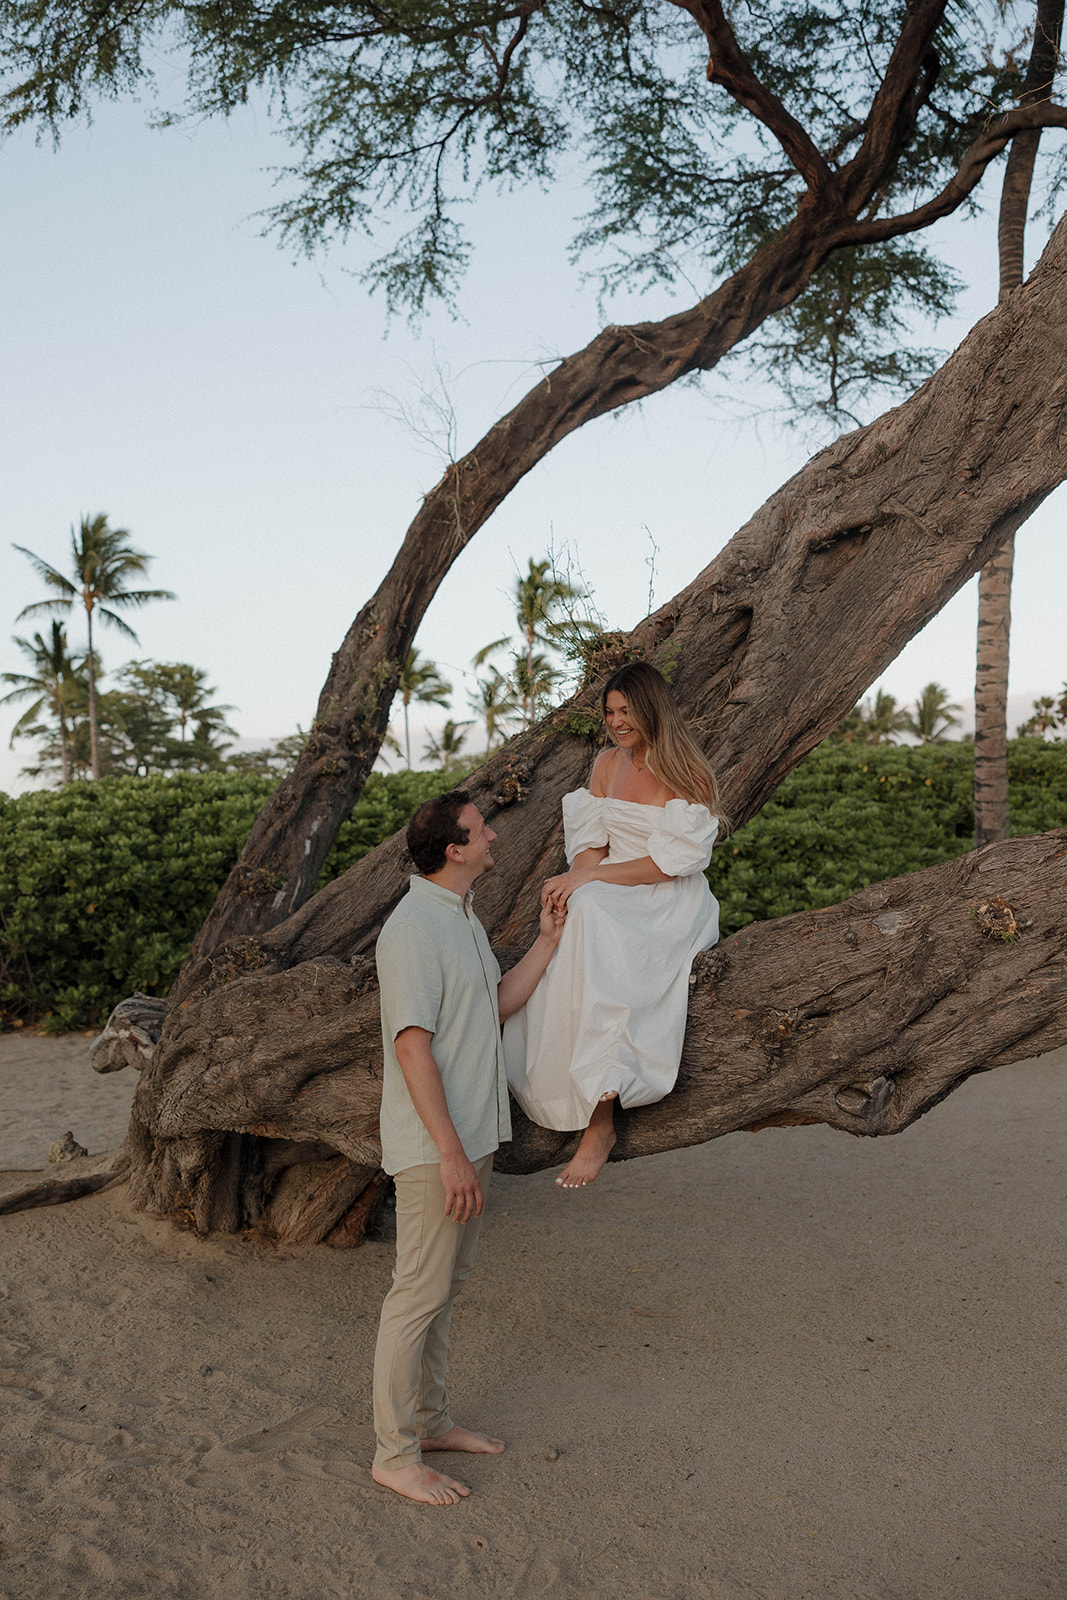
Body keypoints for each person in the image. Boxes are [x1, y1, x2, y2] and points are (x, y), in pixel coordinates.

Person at [372, 789, 564, 1507]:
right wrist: (449, 1153)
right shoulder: (413, 928)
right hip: (435, 1149)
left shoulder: (461, 917)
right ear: (453, 849)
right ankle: (393, 1456)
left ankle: (430, 1421)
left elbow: (496, 1003)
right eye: (481, 831)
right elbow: (411, 1048)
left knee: (444, 1289)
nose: (493, 838)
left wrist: (546, 941)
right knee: (415, 1295)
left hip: (472, 1136)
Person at [503, 660, 722, 1189]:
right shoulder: (605, 765)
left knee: (593, 908)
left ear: (651, 709)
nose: (617, 721)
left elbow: (665, 864)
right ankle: (564, 1080)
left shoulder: (686, 771)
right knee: (577, 911)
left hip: (665, 896)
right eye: (609, 711)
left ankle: (601, 1119)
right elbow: (591, 851)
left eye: (626, 711)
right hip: (608, 886)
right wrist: (569, 885)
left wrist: (590, 884)